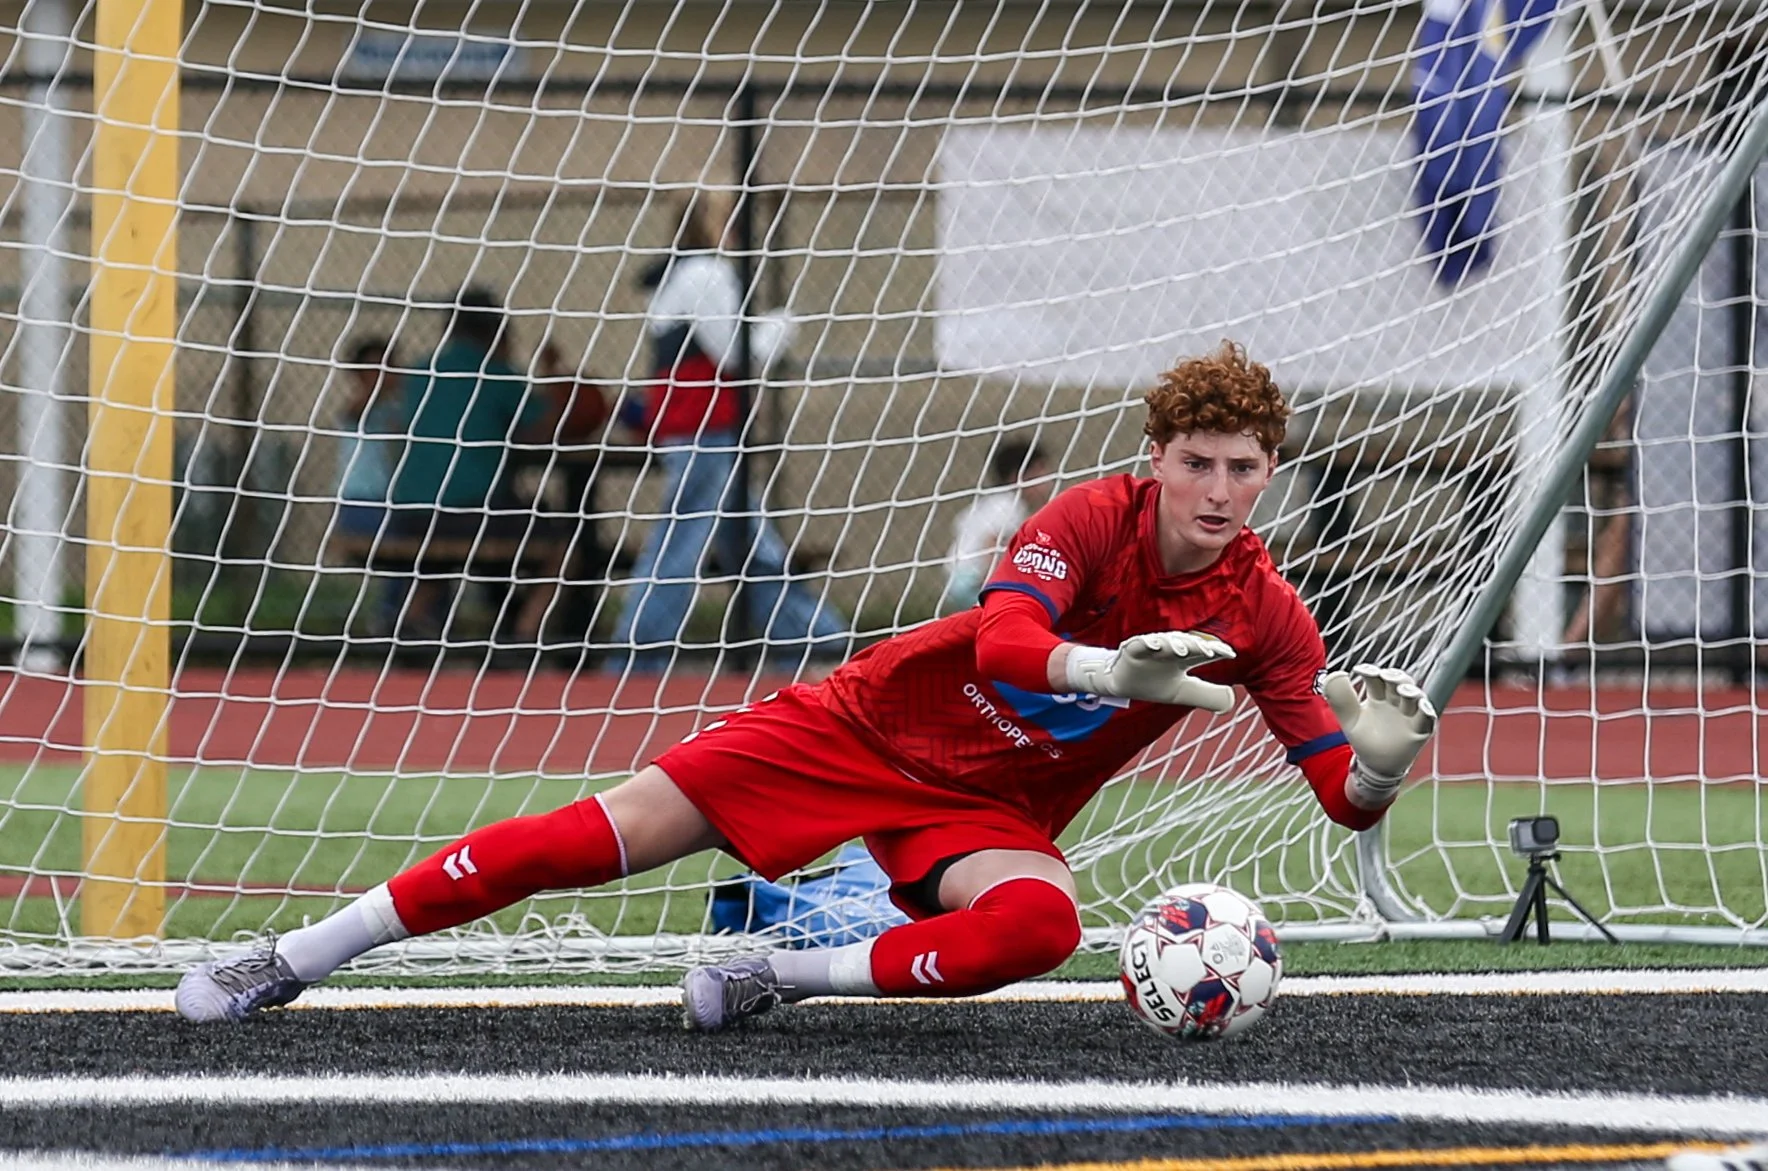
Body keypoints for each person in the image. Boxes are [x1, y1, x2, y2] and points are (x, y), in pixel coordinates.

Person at [173, 341, 1439, 1029]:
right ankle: (289, 955)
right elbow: (1002, 645)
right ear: (1155, 459)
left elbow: (1338, 800)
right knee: (583, 843)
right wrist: (1108, 667)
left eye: (1246, 467)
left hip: (985, 813)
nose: (1221, 490)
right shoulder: (1086, 519)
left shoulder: (1267, 609)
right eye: (1198, 462)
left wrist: (1373, 762)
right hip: (862, 728)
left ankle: (786, 973)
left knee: (1039, 930)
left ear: (1270, 470)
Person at [610, 191, 847, 670]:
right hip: (704, 428)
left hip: (702, 428)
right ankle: (636, 654)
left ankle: (815, 637)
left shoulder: (684, 273)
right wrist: (780, 327)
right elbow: (737, 352)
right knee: (681, 545)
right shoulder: (703, 273)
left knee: (752, 547)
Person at [389, 286, 566, 646]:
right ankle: (525, 634)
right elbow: (541, 432)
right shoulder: (495, 372)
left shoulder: (421, 371)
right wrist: (552, 375)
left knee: (445, 550)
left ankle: (413, 618)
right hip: (470, 513)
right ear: (495, 329)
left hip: (408, 513)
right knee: (567, 546)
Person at [333, 335, 404, 636]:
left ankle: (404, 620)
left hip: (392, 506)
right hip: (361, 505)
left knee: (426, 545)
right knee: (411, 547)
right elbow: (353, 412)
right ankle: (389, 620)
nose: (383, 374)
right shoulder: (356, 412)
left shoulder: (397, 412)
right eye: (374, 368)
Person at [941, 438, 1055, 613]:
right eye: (1041, 473)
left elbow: (959, 525)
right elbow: (991, 542)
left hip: (956, 578)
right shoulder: (1010, 504)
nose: (1049, 481)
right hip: (972, 580)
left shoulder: (991, 502)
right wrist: (994, 586)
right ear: (1019, 477)